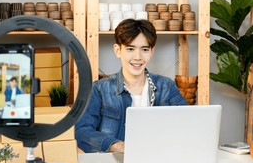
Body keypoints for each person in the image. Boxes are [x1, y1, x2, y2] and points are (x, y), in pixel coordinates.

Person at [75, 18, 187, 153]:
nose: (138, 57)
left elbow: (187, 124)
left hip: (159, 161)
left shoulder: (166, 87)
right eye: (130, 49)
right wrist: (117, 146)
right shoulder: (99, 90)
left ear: (152, 51)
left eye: (144, 49)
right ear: (118, 50)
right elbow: (82, 132)